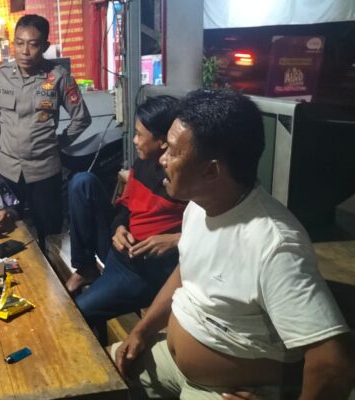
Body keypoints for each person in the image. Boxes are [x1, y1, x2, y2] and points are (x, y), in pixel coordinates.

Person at [112, 89, 354, 399]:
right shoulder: (198, 205)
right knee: (99, 374)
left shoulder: (275, 245)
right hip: (173, 362)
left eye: (172, 151)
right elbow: (187, 271)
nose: (162, 159)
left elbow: (333, 364)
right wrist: (142, 330)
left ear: (211, 170)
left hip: (224, 390)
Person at [68, 96, 187, 325]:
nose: (134, 140)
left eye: (140, 135)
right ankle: (85, 267)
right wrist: (119, 227)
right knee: (82, 182)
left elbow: (209, 233)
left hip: (138, 269)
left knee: (77, 315)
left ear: (163, 141)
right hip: (119, 248)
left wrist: (175, 239)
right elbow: (125, 204)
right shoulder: (143, 162)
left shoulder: (183, 180)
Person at [0, 14, 91, 249]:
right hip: (7, 172)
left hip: (44, 172)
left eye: (33, 44)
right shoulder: (0, 77)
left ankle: (52, 273)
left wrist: (58, 143)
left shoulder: (58, 77)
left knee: (50, 234)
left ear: (45, 46)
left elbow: (81, 118)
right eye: (19, 43)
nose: (25, 51)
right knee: (6, 232)